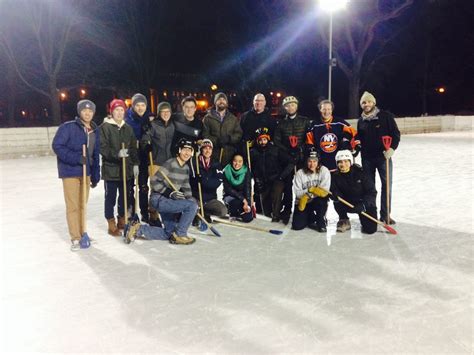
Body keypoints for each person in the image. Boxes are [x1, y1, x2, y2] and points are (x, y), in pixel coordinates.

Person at [52, 100, 100, 251]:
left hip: (86, 173)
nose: (88, 113)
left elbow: (95, 154)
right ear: (79, 112)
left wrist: (95, 173)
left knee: (82, 205)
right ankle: (75, 237)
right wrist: (77, 158)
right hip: (71, 172)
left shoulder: (94, 129)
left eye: (90, 111)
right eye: (85, 111)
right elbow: (57, 146)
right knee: (73, 206)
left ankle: (83, 232)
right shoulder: (68, 127)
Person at [357, 91, 400, 224]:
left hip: (383, 157)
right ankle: (372, 213)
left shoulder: (385, 116)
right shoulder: (361, 121)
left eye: (369, 101)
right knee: (370, 187)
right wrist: (356, 147)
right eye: (364, 102)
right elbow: (360, 139)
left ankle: (385, 214)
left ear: (373, 103)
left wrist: (392, 148)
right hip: (367, 158)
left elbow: (395, 134)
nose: (366, 104)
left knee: (386, 185)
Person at [100, 99, 139, 236]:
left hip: (126, 170)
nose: (119, 112)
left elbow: (133, 148)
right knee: (110, 197)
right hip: (111, 170)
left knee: (124, 197)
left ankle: (122, 219)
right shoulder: (105, 127)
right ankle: (111, 222)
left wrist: (135, 164)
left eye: (122, 110)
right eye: (116, 110)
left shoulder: (128, 128)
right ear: (111, 112)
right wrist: (117, 154)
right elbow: (103, 148)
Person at [148, 139, 198, 245]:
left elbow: (186, 187)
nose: (187, 153)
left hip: (168, 201)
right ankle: (180, 234)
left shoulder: (185, 168)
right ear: (179, 150)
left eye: (190, 150)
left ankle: (137, 229)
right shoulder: (171, 163)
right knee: (192, 206)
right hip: (159, 198)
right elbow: (153, 181)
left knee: (169, 233)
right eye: (184, 149)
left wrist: (191, 200)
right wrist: (169, 193)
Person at [273, 95, 312, 224]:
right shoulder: (281, 123)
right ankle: (287, 210)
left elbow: (309, 138)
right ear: (285, 108)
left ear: (297, 106)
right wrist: (287, 152)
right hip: (287, 158)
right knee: (288, 185)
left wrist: (301, 150)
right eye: (288, 106)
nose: (291, 107)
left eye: (293, 105)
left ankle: (302, 208)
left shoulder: (305, 121)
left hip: (301, 158)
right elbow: (277, 141)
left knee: (301, 184)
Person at [250, 127, 293, 222]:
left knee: (276, 194)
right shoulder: (253, 153)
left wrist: (282, 176)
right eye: (260, 140)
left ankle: (277, 214)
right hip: (262, 181)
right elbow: (250, 168)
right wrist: (255, 178)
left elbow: (290, 162)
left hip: (276, 179)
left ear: (268, 139)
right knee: (266, 212)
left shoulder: (275, 150)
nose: (263, 142)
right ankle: (272, 209)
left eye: (264, 139)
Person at [330, 150, 377, 234]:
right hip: (347, 203)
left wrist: (363, 205)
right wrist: (335, 194)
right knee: (337, 200)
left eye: (346, 161)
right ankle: (344, 219)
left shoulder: (362, 173)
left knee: (370, 229)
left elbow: (372, 192)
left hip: (363, 204)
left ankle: (363, 217)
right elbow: (333, 189)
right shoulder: (335, 176)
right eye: (340, 162)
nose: (343, 164)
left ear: (350, 162)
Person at [306, 99, 359, 171]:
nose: (326, 112)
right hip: (322, 163)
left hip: (338, 162)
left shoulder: (340, 122)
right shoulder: (314, 125)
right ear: (320, 110)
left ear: (332, 110)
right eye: (324, 109)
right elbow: (309, 142)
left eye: (329, 109)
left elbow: (354, 133)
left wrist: (354, 145)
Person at [125, 93, 154, 223]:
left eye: (143, 105)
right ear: (133, 105)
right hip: (131, 157)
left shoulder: (149, 118)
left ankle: (144, 212)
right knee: (130, 186)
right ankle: (131, 213)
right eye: (137, 105)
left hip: (143, 157)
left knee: (143, 186)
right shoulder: (127, 118)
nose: (140, 108)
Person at [292, 149, 331, 232]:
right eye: (309, 161)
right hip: (303, 202)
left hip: (317, 201)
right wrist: (310, 190)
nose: (312, 164)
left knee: (321, 200)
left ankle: (321, 220)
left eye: (315, 161)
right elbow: (298, 193)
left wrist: (308, 195)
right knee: (297, 226)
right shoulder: (300, 173)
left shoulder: (324, 171)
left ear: (318, 162)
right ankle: (310, 217)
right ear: (306, 161)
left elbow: (324, 192)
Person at [189, 139, 227, 222]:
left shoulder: (216, 164)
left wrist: (203, 181)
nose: (207, 151)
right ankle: (196, 213)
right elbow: (190, 180)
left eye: (209, 148)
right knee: (190, 202)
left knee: (223, 211)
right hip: (197, 197)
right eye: (205, 148)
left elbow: (217, 182)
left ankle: (205, 212)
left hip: (210, 199)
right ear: (201, 149)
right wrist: (195, 180)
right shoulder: (195, 162)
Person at [202, 92, 242, 166]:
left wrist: (229, 139)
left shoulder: (233, 118)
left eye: (224, 99)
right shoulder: (208, 118)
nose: (221, 101)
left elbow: (238, 134)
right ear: (215, 102)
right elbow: (205, 134)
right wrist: (216, 141)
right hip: (213, 155)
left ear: (226, 103)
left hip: (229, 155)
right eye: (219, 99)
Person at [142, 101, 175, 166]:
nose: (166, 114)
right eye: (163, 111)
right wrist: (146, 146)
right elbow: (144, 139)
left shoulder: (173, 125)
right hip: (156, 162)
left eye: (168, 111)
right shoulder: (153, 125)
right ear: (159, 113)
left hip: (171, 162)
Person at [222, 153, 253, 223]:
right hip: (230, 196)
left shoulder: (246, 170)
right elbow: (228, 189)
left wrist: (247, 203)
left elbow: (248, 188)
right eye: (235, 161)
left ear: (243, 162)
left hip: (243, 197)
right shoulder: (227, 170)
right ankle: (232, 211)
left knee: (248, 218)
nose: (237, 164)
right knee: (235, 203)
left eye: (240, 161)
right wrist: (243, 200)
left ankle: (238, 211)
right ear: (232, 161)